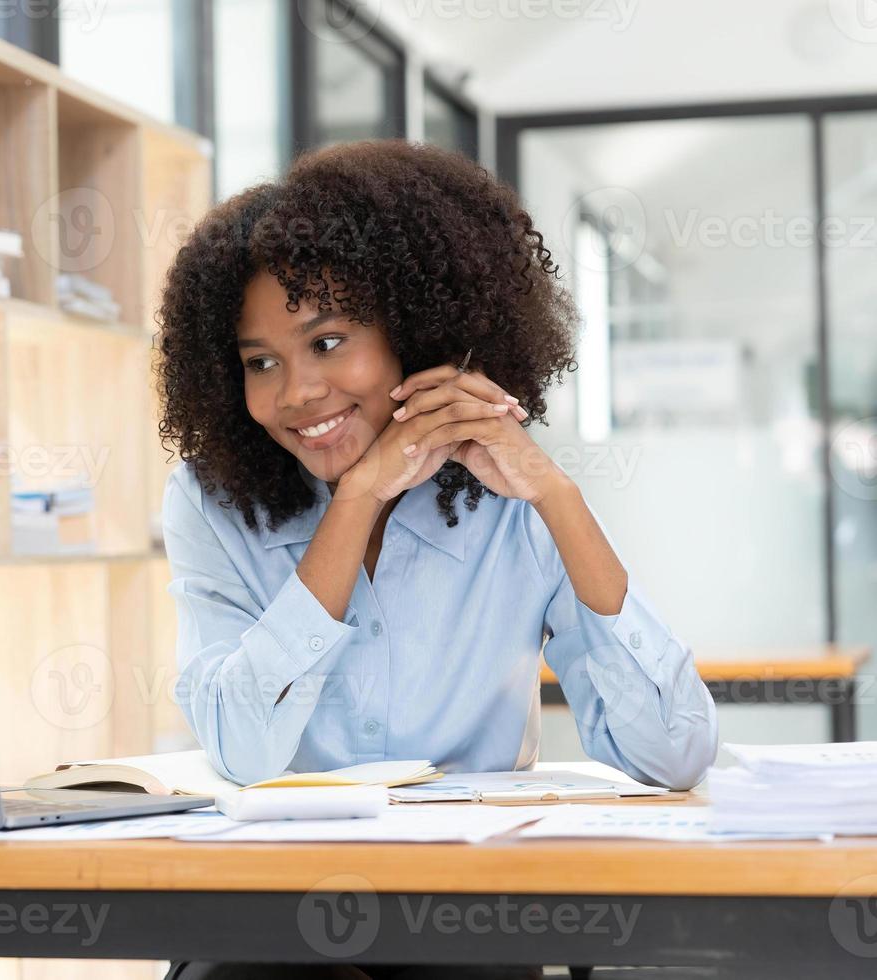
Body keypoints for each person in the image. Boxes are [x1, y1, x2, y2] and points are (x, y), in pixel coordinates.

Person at [151, 140, 718, 979]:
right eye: (260, 361)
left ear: (414, 335)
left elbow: (672, 751)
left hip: (467, 911)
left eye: (329, 340)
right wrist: (357, 501)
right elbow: (242, 748)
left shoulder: (507, 497)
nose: (297, 391)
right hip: (274, 914)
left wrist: (559, 502)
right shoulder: (212, 502)